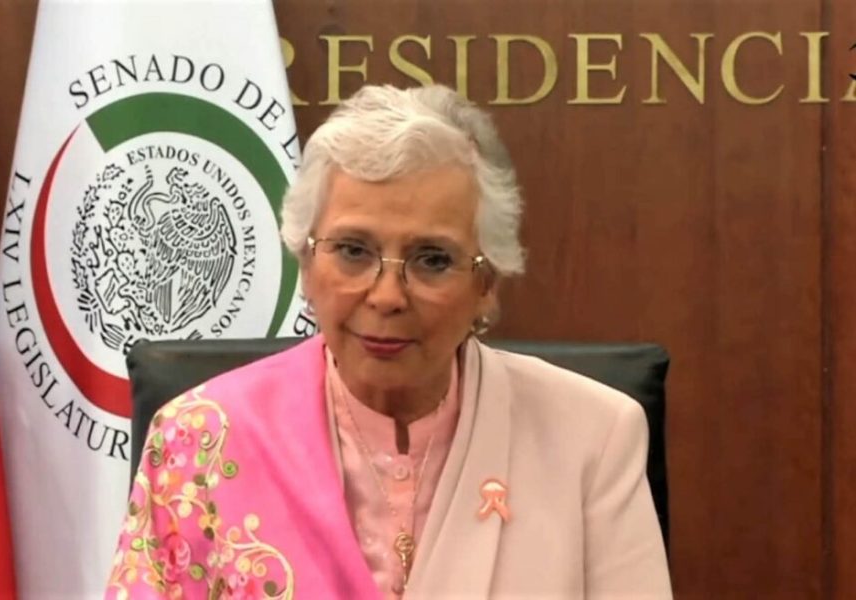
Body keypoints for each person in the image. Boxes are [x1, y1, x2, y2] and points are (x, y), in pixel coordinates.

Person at [106, 84, 672, 599]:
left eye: (433, 259)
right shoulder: (198, 438)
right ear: (306, 262)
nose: (387, 296)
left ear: (486, 284)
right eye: (353, 251)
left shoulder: (593, 437)